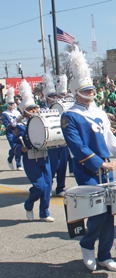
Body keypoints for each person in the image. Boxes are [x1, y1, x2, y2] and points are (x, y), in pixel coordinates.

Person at [61, 45, 116, 272]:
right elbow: (77, 147)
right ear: (76, 91)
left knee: (110, 212)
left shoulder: (100, 113)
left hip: (106, 169)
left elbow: (111, 141)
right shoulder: (69, 115)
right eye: (86, 90)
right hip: (87, 169)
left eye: (92, 89)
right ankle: (87, 245)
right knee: (97, 212)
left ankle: (105, 255)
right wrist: (100, 163)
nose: (91, 93)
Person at [12, 80, 53, 222]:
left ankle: (44, 212)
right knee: (39, 187)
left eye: (35, 108)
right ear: (24, 112)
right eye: (30, 109)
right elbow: (15, 144)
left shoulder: (43, 122)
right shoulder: (21, 126)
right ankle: (29, 205)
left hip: (45, 157)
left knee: (47, 186)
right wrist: (20, 149)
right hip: (31, 159)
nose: (34, 111)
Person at [42, 72, 68, 196]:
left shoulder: (61, 107)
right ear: (47, 97)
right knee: (52, 166)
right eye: (52, 96)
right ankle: (48, 188)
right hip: (51, 142)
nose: (55, 97)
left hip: (62, 140)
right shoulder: (43, 109)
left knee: (63, 166)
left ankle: (60, 188)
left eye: (55, 95)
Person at [2, 87, 22, 171]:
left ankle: (18, 164)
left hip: (18, 132)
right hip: (10, 133)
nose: (12, 105)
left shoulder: (17, 112)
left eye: (13, 103)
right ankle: (11, 160)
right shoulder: (4, 113)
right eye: (10, 103)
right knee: (15, 147)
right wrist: (12, 125)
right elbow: (6, 124)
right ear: (7, 104)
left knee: (19, 147)